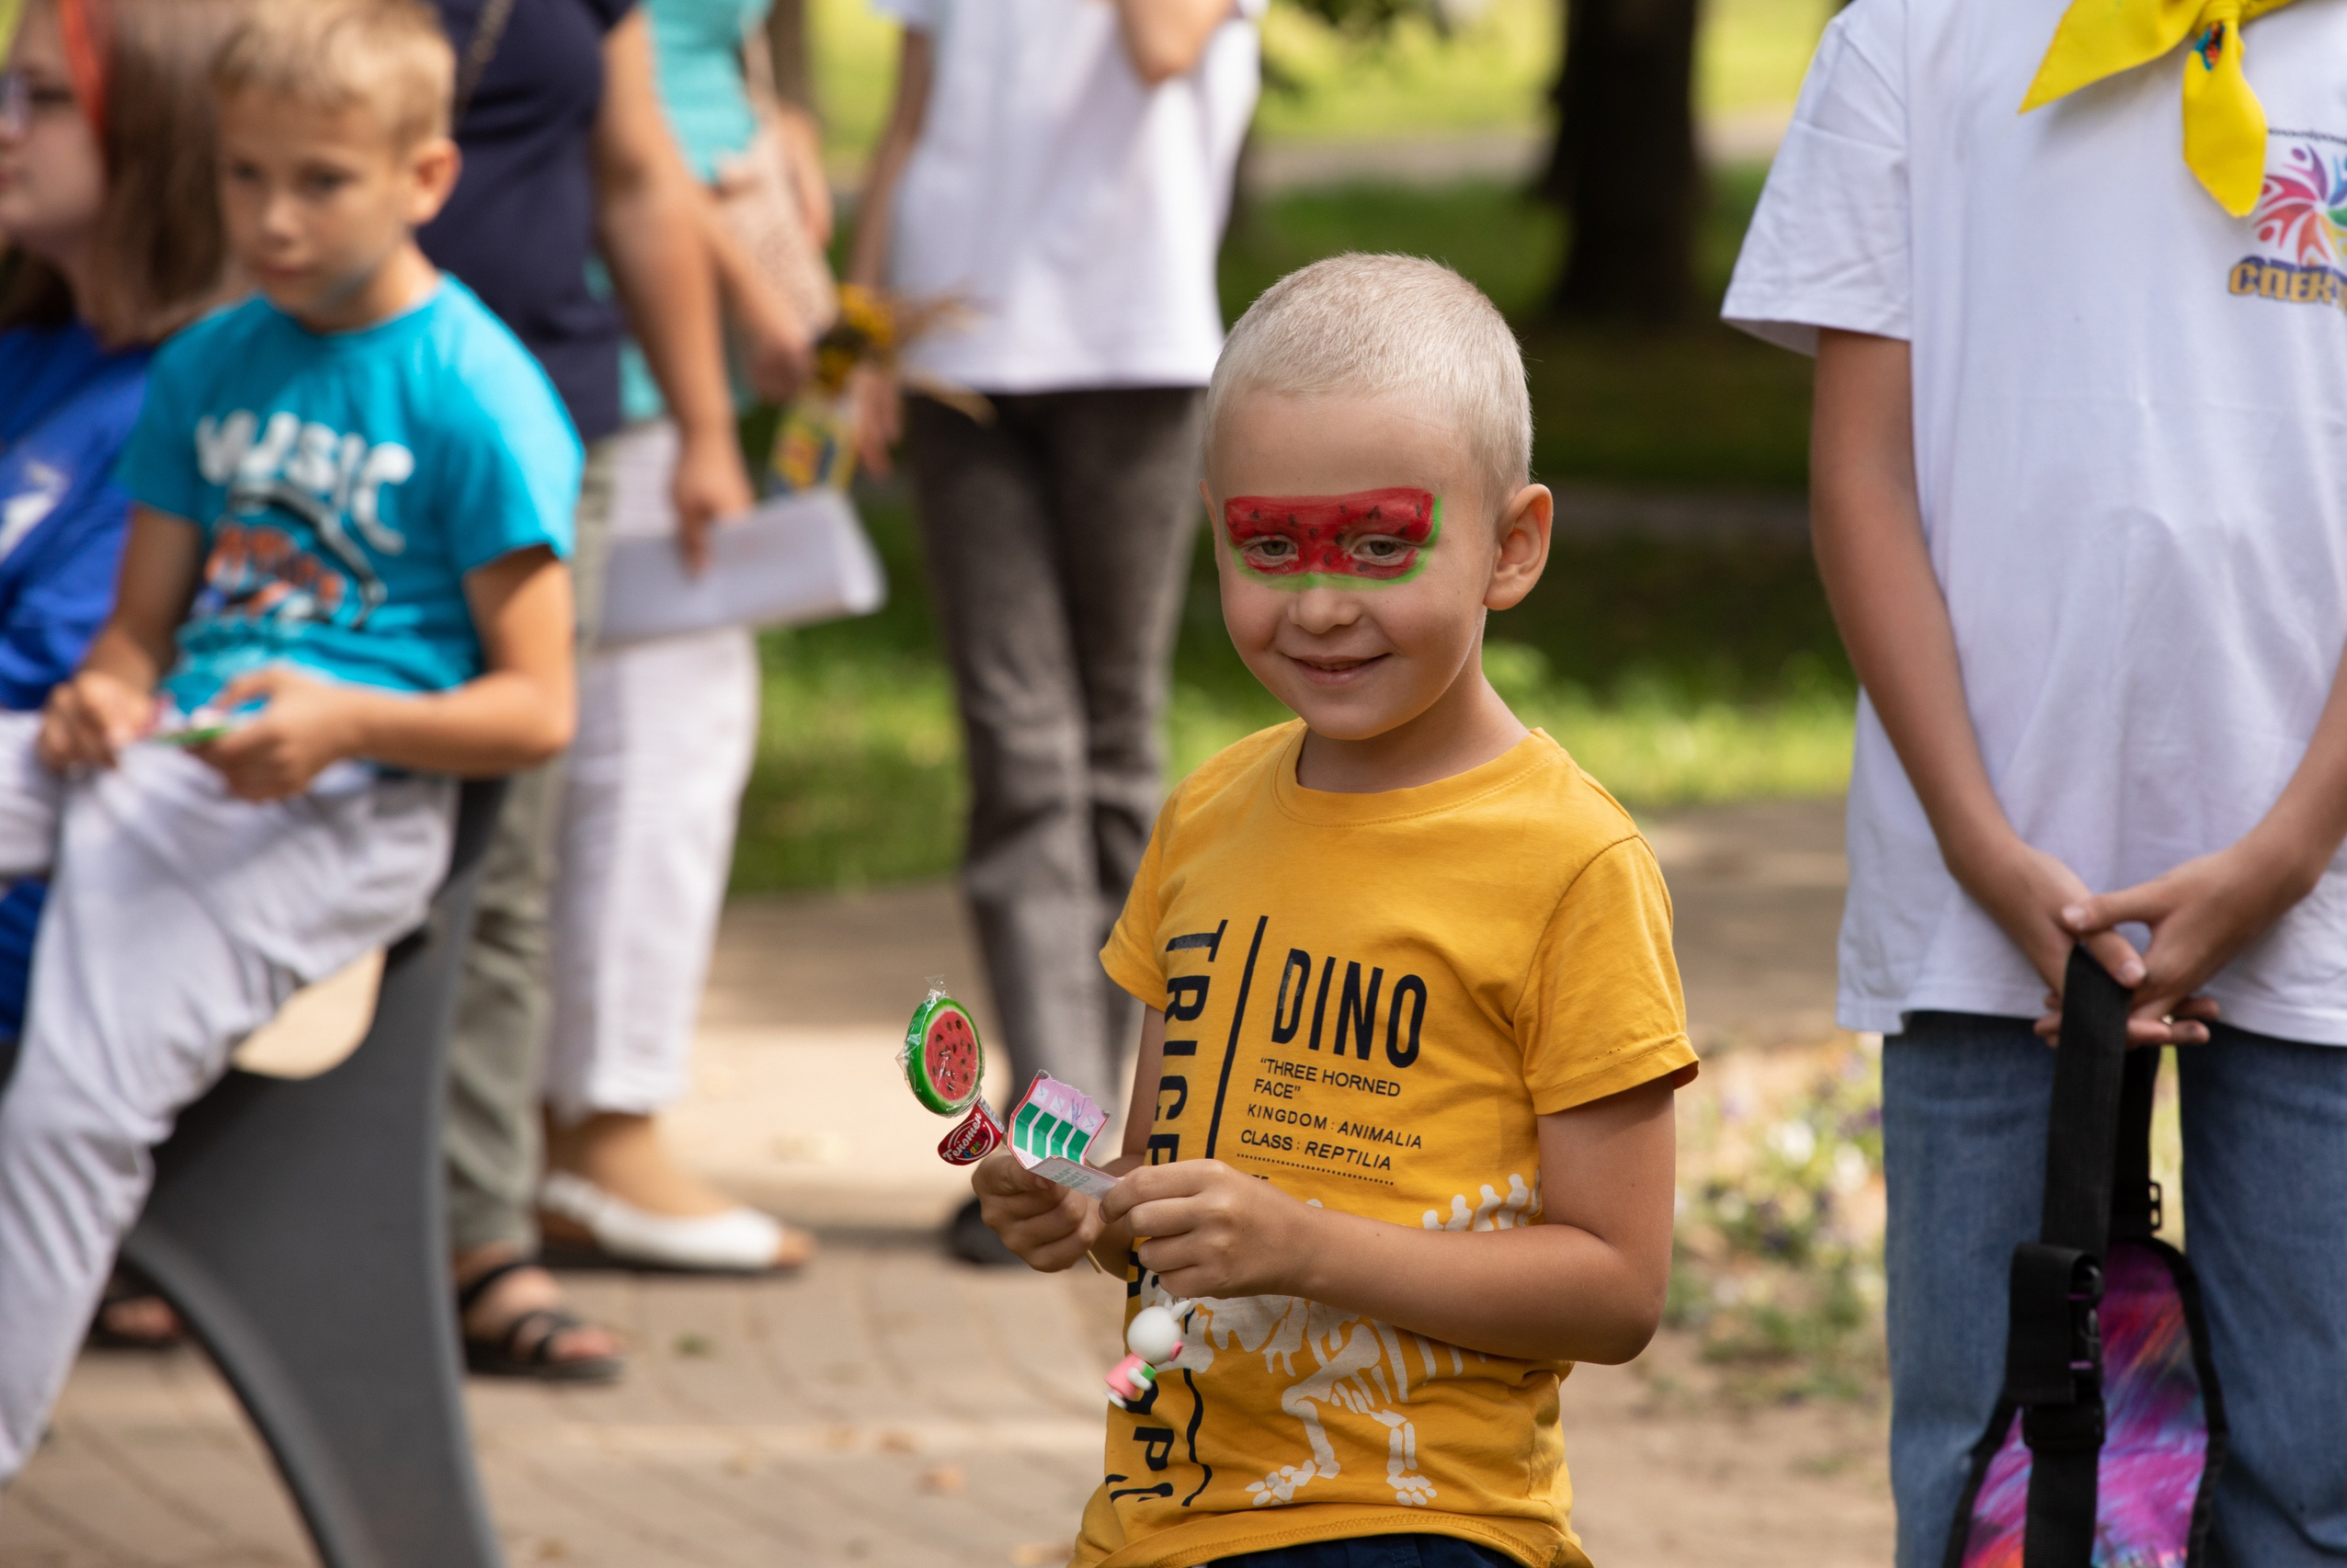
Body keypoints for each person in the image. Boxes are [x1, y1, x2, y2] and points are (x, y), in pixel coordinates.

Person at [1722, 0, 2347, 1560]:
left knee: (2319, 1476)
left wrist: (2287, 849)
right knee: (1981, 1468)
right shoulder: (1908, 43)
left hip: (2327, 883)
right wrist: (1983, 846)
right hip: (1979, 896)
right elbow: (1858, 475)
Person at [970, 256, 1699, 1568]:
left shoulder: (1573, 863)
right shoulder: (1203, 817)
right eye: (1267, 547)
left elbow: (1616, 1284)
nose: (1318, 603)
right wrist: (1081, 1208)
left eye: (1378, 544)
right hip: (1153, 1519)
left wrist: (1308, 1245)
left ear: (1511, 544)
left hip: (1414, 1525)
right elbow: (1155, 1181)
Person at [0, 0, 581, 1482]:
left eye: (318, 181)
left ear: (425, 178)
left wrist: (346, 723)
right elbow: (140, 628)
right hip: (167, 767)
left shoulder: (480, 395)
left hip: (352, 809)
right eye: (243, 174)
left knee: (73, 1103)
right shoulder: (208, 363)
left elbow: (538, 709)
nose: (269, 216)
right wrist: (104, 688)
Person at [847, 0, 1264, 1263]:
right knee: (1017, 751)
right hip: (955, 352)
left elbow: (1162, 45)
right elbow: (910, 113)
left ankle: (1145, 1130)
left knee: (1118, 748)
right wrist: (863, 335)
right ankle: (1056, 1139)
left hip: (1132, 344)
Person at [418, 0, 754, 1372]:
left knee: (509, 854)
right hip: (343, 412)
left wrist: (706, 424)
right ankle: (201, 1220)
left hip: (553, 426)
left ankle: (479, 1238)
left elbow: (636, 171)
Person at [536, 0, 827, 1275]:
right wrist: (745, 312)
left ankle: (569, 1120)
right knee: (661, 744)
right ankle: (602, 1127)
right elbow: (628, 120)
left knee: (647, 736)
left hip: (659, 327)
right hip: (630, 340)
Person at [0, 0, 244, 1351]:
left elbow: (47, 703)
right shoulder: (33, 354)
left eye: (39, 99)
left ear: (149, 135)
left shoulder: (182, 401)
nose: (3, 127)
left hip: (49, 896)